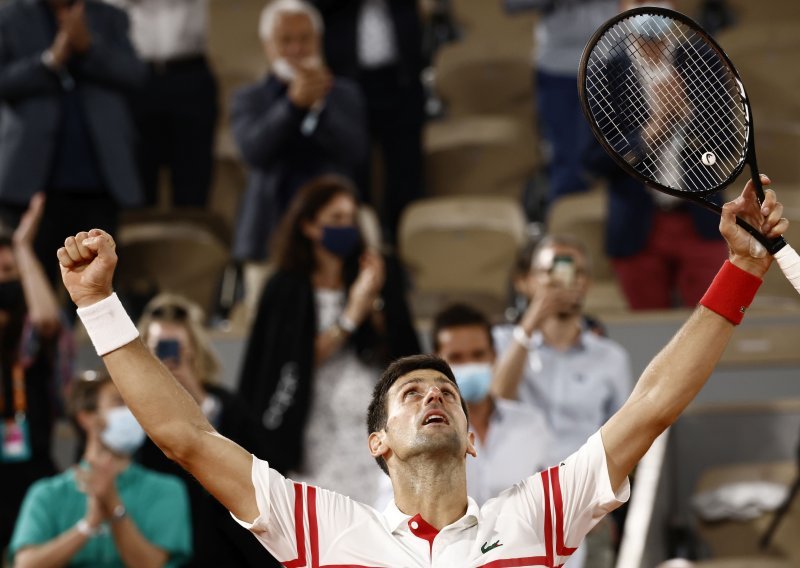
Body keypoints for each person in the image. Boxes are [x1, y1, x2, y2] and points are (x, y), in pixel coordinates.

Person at [56, 177, 788, 565]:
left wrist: (742, 271)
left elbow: (652, 404)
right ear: (378, 443)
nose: (436, 395)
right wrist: (98, 306)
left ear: (473, 440)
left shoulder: (536, 514)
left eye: (445, 391)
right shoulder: (323, 527)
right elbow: (186, 437)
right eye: (411, 393)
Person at [237, 174, 420, 504]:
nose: (346, 227)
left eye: (351, 219)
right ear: (308, 226)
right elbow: (290, 366)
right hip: (310, 432)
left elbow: (401, 353)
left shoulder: (376, 277)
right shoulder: (286, 287)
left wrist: (375, 301)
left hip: (371, 428)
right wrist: (350, 316)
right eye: (335, 219)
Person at [493, 234, 634, 567]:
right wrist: (530, 323)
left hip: (587, 508)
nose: (566, 281)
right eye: (550, 272)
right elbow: (498, 399)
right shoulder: (501, 342)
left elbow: (628, 440)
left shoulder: (611, 358)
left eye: (577, 272)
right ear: (525, 282)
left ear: (586, 283)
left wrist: (603, 501)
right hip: (517, 506)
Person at [584, 0, 729, 309]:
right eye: (638, 1)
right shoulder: (605, 72)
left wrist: (687, 117)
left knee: (713, 325)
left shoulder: (702, 61)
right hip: (637, 228)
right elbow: (592, 161)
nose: (649, 8)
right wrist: (653, 131)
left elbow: (724, 148)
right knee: (651, 338)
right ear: (622, 7)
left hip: (701, 219)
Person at [0, 0, 145, 284]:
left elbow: (135, 74)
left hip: (99, 183)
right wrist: (49, 61)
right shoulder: (10, 17)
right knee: (29, 288)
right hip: (31, 185)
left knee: (97, 288)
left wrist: (88, 47)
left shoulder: (109, 17)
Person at [136, 293, 274, 568]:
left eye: (175, 348)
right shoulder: (131, 408)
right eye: (159, 348)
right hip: (159, 538)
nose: (168, 357)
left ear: (192, 350)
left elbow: (256, 464)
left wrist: (194, 393)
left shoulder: (226, 405)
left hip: (226, 547)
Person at [230, 0, 368, 262]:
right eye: (285, 40)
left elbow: (355, 152)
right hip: (267, 229)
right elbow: (254, 152)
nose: (296, 49)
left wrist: (318, 107)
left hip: (333, 231)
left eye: (304, 39)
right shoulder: (248, 98)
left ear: (318, 39)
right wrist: (292, 107)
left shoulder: (344, 94)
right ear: (267, 45)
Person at [8, 372, 192, 567]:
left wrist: (113, 505)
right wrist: (87, 526)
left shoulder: (166, 490)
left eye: (136, 403)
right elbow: (25, 563)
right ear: (86, 417)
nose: (132, 412)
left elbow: (153, 564)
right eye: (119, 402)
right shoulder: (46, 494)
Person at [309, 0, 426, 244]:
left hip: (402, 80)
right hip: (346, 80)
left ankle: (402, 251)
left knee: (406, 173)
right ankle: (357, 248)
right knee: (352, 173)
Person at [0, 193, 73, 556]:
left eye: (11, 272)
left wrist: (23, 247)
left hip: (31, 465)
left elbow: (47, 319)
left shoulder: (30, 329)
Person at [431, 303, 553, 503]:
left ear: (494, 355)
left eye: (478, 355)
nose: (469, 365)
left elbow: (558, 502)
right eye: (456, 357)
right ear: (436, 361)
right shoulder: (419, 432)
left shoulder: (531, 425)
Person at [104, 0, 218, 208]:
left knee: (193, 179)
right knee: (137, 180)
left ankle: (189, 239)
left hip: (190, 73)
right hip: (135, 77)